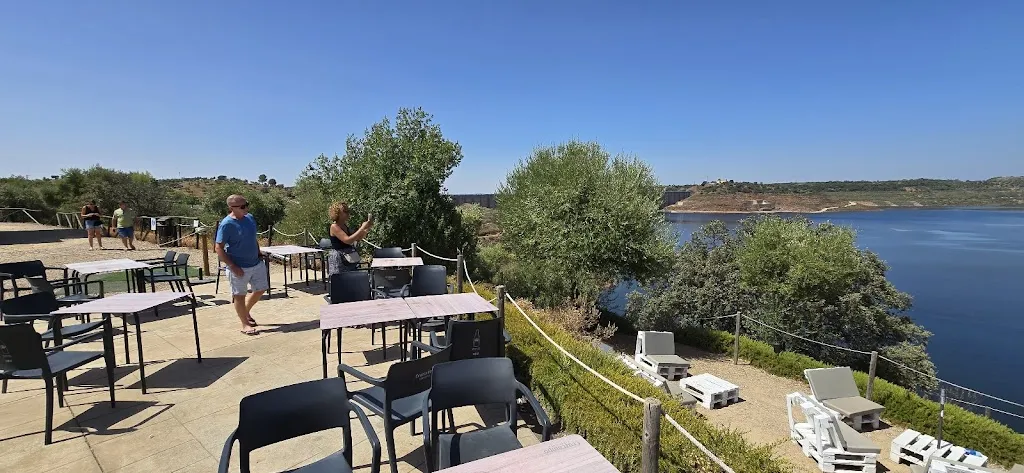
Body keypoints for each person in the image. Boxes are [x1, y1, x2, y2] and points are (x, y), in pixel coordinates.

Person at [216, 194, 268, 335]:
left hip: (256, 263)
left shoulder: (250, 218)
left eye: (247, 204)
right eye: (243, 206)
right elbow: (218, 247)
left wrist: (258, 252)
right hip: (238, 266)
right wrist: (232, 266)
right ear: (232, 208)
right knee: (239, 295)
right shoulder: (226, 224)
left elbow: (253, 238)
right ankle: (245, 324)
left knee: (261, 289)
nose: (247, 208)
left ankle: (245, 311)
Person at [328, 202, 373, 275]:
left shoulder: (345, 226)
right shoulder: (334, 226)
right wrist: (362, 228)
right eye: (345, 211)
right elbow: (348, 240)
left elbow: (357, 238)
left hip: (349, 257)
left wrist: (366, 229)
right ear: (337, 213)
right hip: (339, 259)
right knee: (341, 282)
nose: (348, 213)